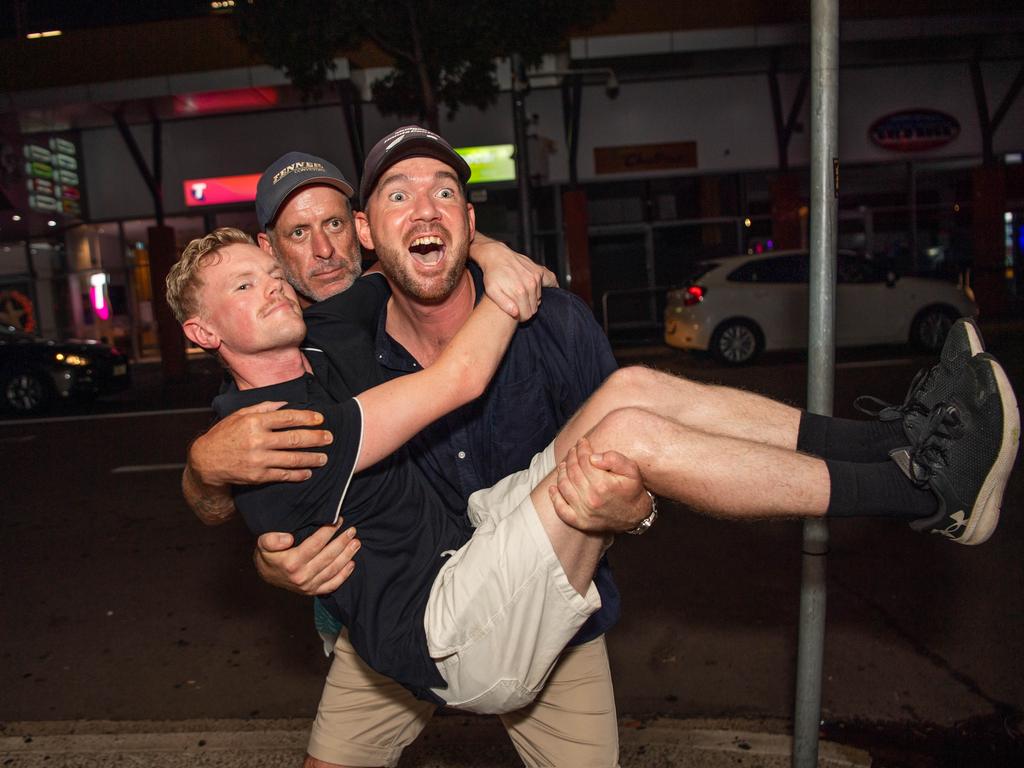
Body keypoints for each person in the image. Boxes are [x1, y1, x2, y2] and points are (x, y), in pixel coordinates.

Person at [168, 226, 1018, 740]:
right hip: (449, 630)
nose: (277, 284)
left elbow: (393, 260)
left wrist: (485, 245)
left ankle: (902, 439)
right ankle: (925, 494)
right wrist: (506, 287)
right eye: (247, 286)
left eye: (271, 272)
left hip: (467, 543)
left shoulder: (310, 353)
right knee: (631, 439)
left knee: (632, 390)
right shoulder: (277, 429)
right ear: (205, 329)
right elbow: (458, 382)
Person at [184, 133, 633, 766]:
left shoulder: (475, 304)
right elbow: (232, 504)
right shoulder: (279, 345)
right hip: (391, 620)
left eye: (336, 224)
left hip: (536, 599)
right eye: (297, 233)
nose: (324, 250)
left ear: (363, 229)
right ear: (269, 248)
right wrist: (207, 475)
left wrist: (490, 251)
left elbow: (433, 234)